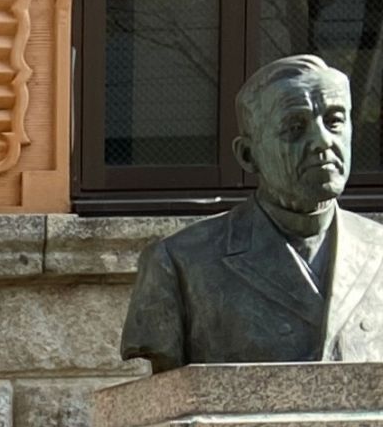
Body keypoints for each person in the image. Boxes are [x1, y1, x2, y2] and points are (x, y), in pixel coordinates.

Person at [121, 51, 383, 370]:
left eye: (334, 121)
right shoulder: (180, 263)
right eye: (295, 127)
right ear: (248, 155)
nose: (322, 141)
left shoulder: (378, 250)